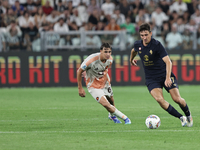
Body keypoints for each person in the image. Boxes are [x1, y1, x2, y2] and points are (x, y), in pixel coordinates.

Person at [130, 23, 193, 127]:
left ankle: (188, 114)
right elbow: (133, 50)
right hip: (151, 78)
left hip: (164, 74)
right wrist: (131, 59)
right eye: (142, 35)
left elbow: (168, 62)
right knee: (159, 99)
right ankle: (181, 117)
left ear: (150, 33)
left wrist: (167, 78)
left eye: (146, 35)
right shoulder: (138, 45)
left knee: (177, 99)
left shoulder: (157, 45)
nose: (144, 37)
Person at [77, 43, 131, 124]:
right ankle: (126, 118)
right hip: (93, 85)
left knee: (111, 101)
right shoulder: (91, 60)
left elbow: (104, 70)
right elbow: (79, 71)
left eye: (109, 52)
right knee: (106, 104)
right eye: (105, 52)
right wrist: (80, 88)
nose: (108, 54)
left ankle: (112, 116)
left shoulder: (110, 60)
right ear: (101, 51)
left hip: (105, 82)